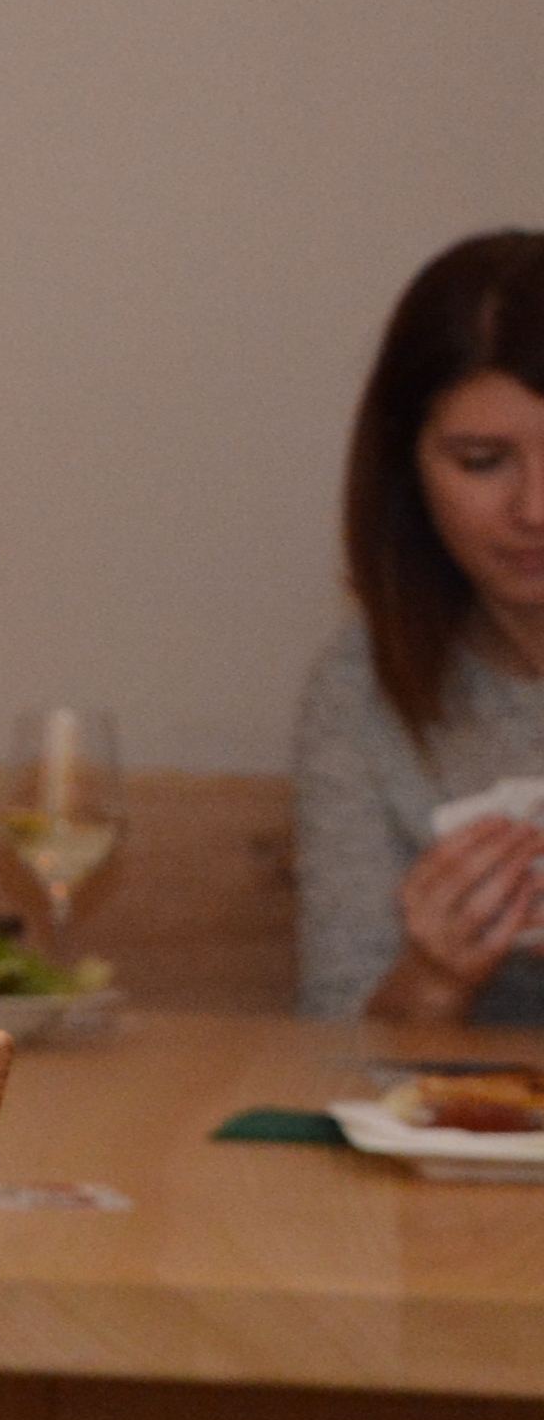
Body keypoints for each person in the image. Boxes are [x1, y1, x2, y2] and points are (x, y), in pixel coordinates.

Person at [300, 230, 544, 1022]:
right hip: (462, 1103)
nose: (534, 509)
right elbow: (339, 1042)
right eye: (481, 461)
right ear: (407, 469)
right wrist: (436, 974)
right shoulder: (363, 687)